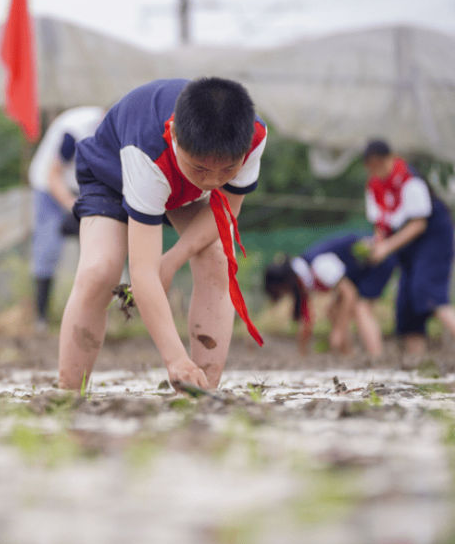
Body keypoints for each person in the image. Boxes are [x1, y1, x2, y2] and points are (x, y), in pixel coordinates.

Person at [58, 78, 266, 392]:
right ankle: (68, 391)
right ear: (175, 137)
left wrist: (171, 262)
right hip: (112, 174)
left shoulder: (253, 136)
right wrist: (175, 359)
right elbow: (142, 271)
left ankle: (202, 389)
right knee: (100, 270)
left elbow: (226, 211)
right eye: (201, 169)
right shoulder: (148, 149)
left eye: (227, 170)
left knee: (217, 259)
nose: (212, 182)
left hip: (179, 186)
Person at [363, 139, 455, 356]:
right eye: (371, 166)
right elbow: (381, 226)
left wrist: (386, 248)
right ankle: (418, 365)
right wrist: (376, 244)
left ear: (390, 158)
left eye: (380, 163)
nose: (377, 170)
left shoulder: (410, 181)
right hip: (406, 247)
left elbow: (418, 224)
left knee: (428, 291)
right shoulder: (375, 188)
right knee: (406, 304)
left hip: (432, 240)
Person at [28, 106, 104, 329]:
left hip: (81, 187)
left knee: (94, 249)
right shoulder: (76, 131)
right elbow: (54, 176)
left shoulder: (117, 133)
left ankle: (89, 315)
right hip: (49, 188)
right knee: (48, 246)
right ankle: (41, 317)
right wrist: (74, 207)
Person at [264, 233, 395, 358]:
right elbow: (306, 319)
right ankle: (348, 355)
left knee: (361, 309)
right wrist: (302, 352)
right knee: (333, 311)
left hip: (377, 258)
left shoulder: (319, 267)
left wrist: (338, 331)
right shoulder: (303, 273)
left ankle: (376, 355)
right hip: (360, 270)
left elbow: (349, 294)